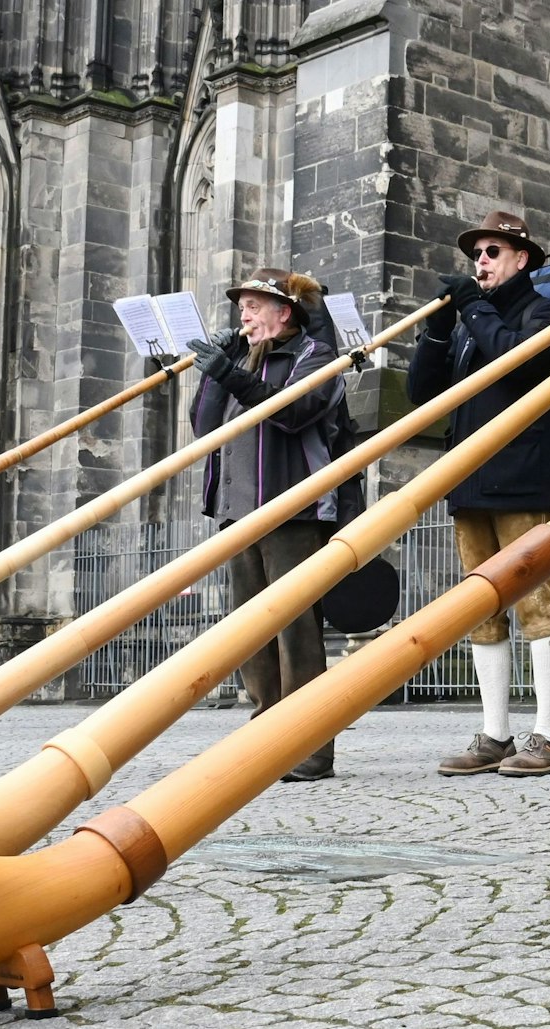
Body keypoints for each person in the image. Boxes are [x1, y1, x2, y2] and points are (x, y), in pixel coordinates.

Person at [409, 210, 550, 778]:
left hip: (523, 477)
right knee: (480, 611)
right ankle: (495, 734)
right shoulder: (467, 326)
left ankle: (548, 736)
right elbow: (421, 395)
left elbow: (517, 361)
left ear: (521, 258)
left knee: (535, 605)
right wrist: (436, 329)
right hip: (471, 480)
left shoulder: (544, 312)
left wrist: (472, 309)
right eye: (475, 254)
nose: (479, 262)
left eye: (491, 252)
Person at [187, 269, 346, 783]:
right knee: (250, 631)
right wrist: (216, 369)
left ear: (285, 313)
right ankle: (265, 732)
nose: (244, 315)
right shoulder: (243, 362)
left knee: (295, 630)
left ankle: (309, 746)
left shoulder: (314, 356)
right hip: (238, 510)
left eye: (254, 306)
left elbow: (295, 412)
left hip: (290, 510)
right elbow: (204, 426)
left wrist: (233, 375)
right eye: (242, 307)